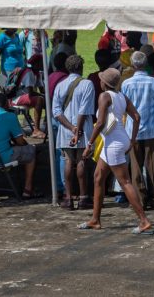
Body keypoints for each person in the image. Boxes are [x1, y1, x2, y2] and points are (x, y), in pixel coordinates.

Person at [81, 68, 154, 234]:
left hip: (112, 143)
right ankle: (95, 219)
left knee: (125, 182)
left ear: (104, 83)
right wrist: (132, 140)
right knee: (98, 177)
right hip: (120, 140)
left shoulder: (104, 96)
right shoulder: (121, 96)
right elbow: (136, 117)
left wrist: (89, 144)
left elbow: (100, 123)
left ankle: (144, 220)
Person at [121, 51, 154, 208]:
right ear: (145, 64)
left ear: (132, 64)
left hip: (133, 129)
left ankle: (139, 198)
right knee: (153, 164)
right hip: (153, 127)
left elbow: (124, 106)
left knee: (136, 166)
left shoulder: (126, 84)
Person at [52, 55, 96, 210]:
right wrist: (77, 129)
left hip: (65, 128)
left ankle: (68, 198)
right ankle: (84, 198)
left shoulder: (60, 85)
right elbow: (84, 110)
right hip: (83, 127)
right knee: (82, 160)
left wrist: (71, 128)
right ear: (81, 68)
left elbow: (56, 111)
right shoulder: (87, 84)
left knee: (68, 161)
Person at [9, 54, 46, 140]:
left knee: (47, 100)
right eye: (42, 62)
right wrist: (43, 96)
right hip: (17, 98)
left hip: (26, 96)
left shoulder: (38, 73)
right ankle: (36, 130)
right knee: (39, 100)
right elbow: (30, 93)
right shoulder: (29, 73)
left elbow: (42, 91)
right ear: (36, 63)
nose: (44, 64)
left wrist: (47, 96)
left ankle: (48, 126)